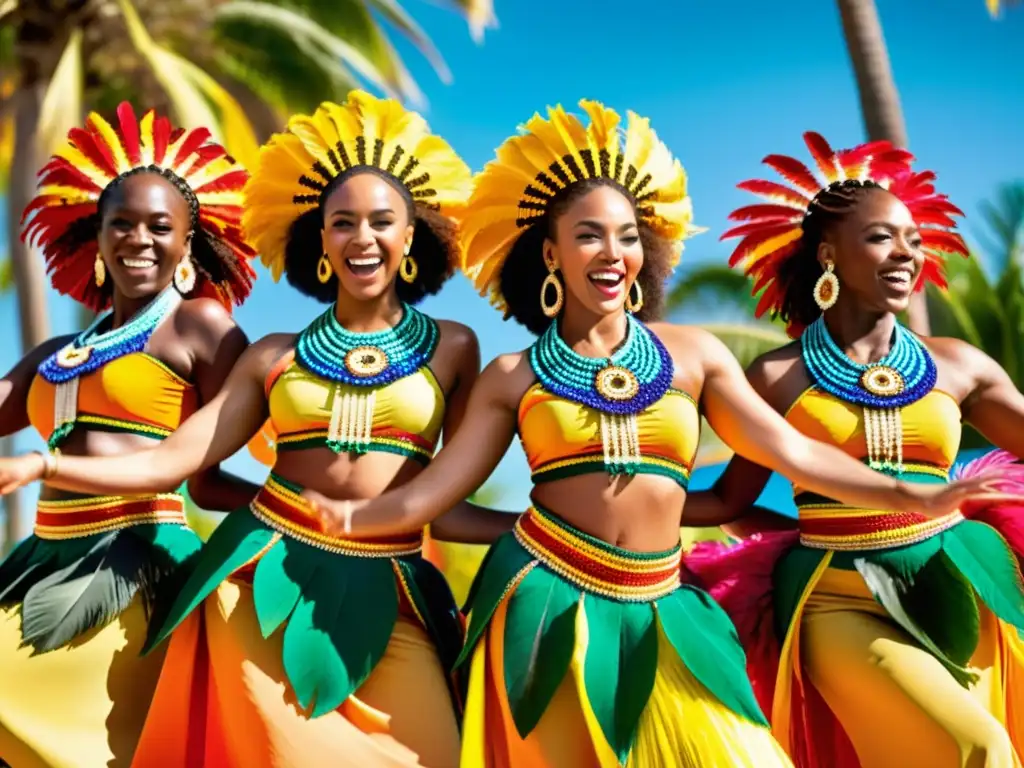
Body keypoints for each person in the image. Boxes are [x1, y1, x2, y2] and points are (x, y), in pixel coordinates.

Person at [289, 101, 1002, 768]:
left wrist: (911, 491)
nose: (612, 252)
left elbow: (791, 453)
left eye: (628, 236)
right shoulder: (512, 375)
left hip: (665, 604)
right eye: (589, 235)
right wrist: (360, 516)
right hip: (545, 606)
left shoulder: (696, 355)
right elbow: (438, 496)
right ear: (550, 254)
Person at [0, 91, 508, 767]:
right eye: (342, 222)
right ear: (319, 240)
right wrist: (45, 467)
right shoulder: (273, 355)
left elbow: (444, 504)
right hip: (266, 580)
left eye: (382, 221)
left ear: (411, 235)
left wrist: (554, 538)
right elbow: (181, 460)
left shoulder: (456, 348)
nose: (362, 237)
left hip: (395, 588)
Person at [686, 132, 1024, 768]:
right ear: (827, 254)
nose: (906, 255)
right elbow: (732, 502)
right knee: (973, 748)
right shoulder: (775, 377)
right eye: (881, 238)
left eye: (915, 241)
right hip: (835, 600)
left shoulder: (958, 366)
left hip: (959, 586)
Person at [0, 103, 257, 767]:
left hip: (133, 559)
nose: (138, 238)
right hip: (39, 558)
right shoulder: (60, 350)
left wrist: (303, 520)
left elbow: (207, 475)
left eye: (159, 226)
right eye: (122, 223)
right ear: (98, 236)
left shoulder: (202, 329)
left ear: (187, 245)